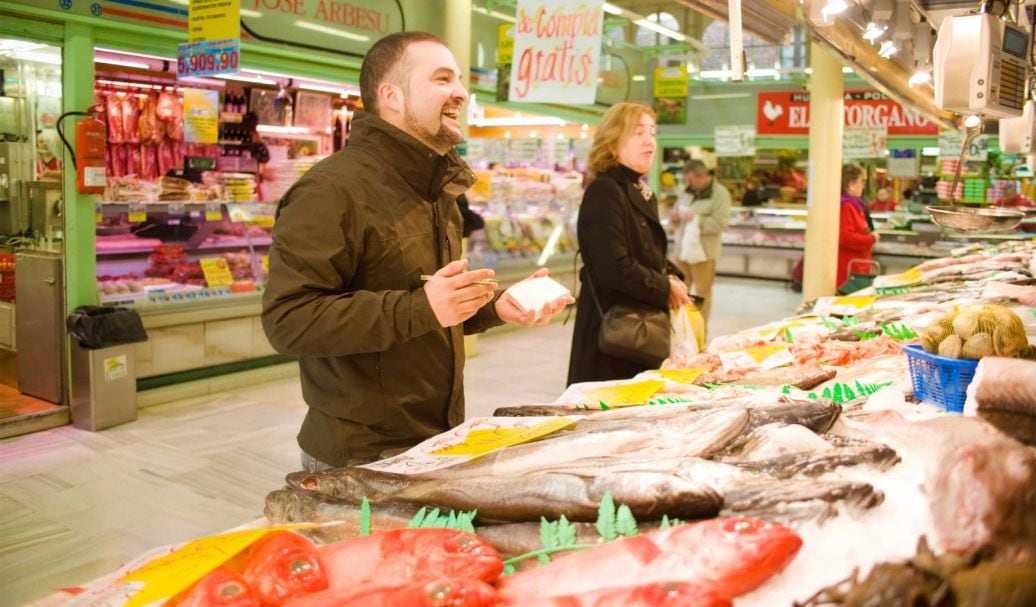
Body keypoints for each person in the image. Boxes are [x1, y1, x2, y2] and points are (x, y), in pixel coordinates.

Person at [262, 32, 573, 471]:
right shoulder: (330, 190)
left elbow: (429, 308)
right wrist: (420, 307)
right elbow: (287, 320)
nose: (461, 93)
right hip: (359, 457)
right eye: (442, 79)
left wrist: (493, 306)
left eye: (460, 80)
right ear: (391, 96)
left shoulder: (437, 190)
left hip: (437, 439)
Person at [567, 103, 691, 385]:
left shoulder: (639, 190)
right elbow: (612, 266)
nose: (649, 141)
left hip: (639, 326)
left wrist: (670, 274)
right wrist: (663, 286)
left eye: (652, 132)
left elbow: (645, 251)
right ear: (612, 145)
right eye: (638, 133)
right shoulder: (604, 192)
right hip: (615, 329)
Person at [669, 159, 730, 326]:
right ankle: (680, 329)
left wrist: (697, 220)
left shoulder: (720, 194)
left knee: (702, 294)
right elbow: (676, 211)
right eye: (686, 180)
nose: (687, 184)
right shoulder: (688, 192)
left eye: (690, 180)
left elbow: (721, 223)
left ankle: (700, 333)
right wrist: (674, 216)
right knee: (678, 291)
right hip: (681, 252)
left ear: (702, 176)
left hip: (703, 254)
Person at [837, 163, 878, 290]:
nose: (862, 186)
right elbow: (845, 237)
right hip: (848, 270)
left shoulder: (855, 205)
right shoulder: (846, 206)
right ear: (851, 184)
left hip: (857, 267)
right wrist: (872, 238)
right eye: (861, 181)